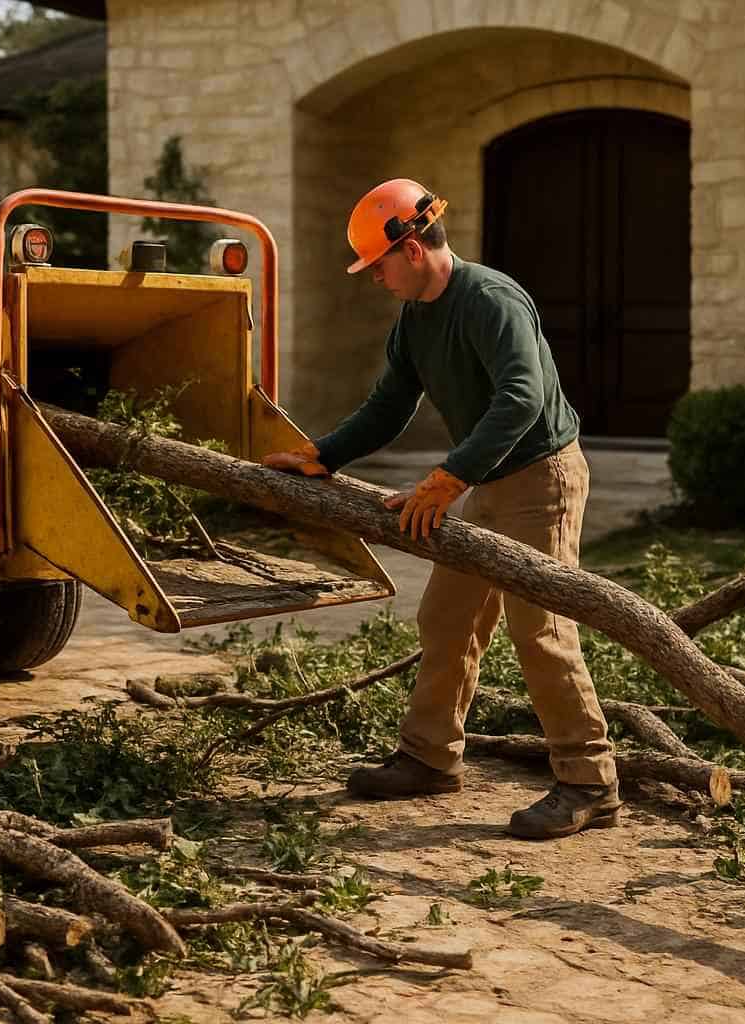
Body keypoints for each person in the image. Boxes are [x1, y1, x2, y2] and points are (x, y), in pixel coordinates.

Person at [261, 178, 620, 840]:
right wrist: (324, 455)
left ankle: (589, 781)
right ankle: (430, 758)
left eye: (379, 265)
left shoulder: (490, 299)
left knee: (539, 630)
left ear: (414, 248)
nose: (374, 279)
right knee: (447, 617)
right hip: (486, 479)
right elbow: (391, 404)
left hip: (542, 477)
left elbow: (523, 397)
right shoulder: (416, 319)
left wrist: (450, 478)